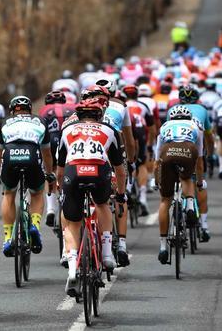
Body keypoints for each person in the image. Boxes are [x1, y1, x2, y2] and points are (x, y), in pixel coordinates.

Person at [56, 98, 127, 296]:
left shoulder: (67, 131)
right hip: (98, 173)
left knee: (72, 223)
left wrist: (61, 188)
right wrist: (121, 195)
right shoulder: (109, 130)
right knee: (102, 204)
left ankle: (72, 269)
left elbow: (60, 170)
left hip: (73, 173)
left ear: (78, 116)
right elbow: (120, 171)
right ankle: (106, 254)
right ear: (100, 115)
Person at [0, 96, 55, 256]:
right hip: (31, 154)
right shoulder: (40, 121)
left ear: (12, 110)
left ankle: (8, 238)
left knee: (9, 194)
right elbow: (47, 154)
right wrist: (49, 173)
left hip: (10, 154)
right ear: (30, 110)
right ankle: (35, 226)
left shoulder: (5, 121)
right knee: (37, 193)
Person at [95, 78, 137, 266]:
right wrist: (131, 160)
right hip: (114, 149)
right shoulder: (121, 105)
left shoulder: (87, 106)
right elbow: (128, 139)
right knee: (121, 195)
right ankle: (121, 243)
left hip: (93, 151)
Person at [155, 105, 203, 264]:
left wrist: (157, 180)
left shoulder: (164, 127)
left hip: (167, 152)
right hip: (188, 149)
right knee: (186, 178)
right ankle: (189, 205)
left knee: (165, 200)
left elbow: (157, 161)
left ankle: (163, 247)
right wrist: (200, 181)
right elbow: (200, 160)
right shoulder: (195, 126)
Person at [172, 85, 213, 242]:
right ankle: (204, 225)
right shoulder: (202, 110)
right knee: (200, 184)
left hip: (173, 151)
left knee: (176, 183)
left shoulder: (173, 110)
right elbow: (209, 136)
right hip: (195, 148)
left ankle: (176, 220)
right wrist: (211, 153)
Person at [39, 90, 76, 226]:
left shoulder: (44, 110)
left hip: (52, 138)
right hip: (69, 139)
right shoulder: (72, 108)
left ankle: (50, 209)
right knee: (69, 167)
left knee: (51, 171)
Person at [123, 84, 155, 215]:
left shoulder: (121, 106)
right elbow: (152, 129)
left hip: (125, 131)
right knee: (141, 164)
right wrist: (149, 145)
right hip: (140, 129)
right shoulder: (144, 106)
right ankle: (142, 197)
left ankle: (128, 188)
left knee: (124, 161)